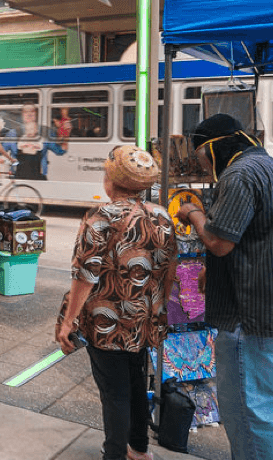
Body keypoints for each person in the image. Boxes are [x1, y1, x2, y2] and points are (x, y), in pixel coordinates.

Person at [56, 145, 178, 460]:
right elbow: (168, 270)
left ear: (111, 181)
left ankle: (114, 454)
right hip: (143, 320)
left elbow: (85, 276)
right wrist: (159, 310)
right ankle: (139, 449)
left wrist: (68, 322)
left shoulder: (100, 217)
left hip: (106, 322)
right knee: (136, 382)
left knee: (114, 394)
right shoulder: (162, 216)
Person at [175, 114, 272, 460]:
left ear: (215, 148)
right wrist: (212, 270)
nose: (202, 166)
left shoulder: (239, 174)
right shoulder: (266, 165)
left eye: (202, 157)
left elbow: (219, 242)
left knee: (248, 412)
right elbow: (254, 234)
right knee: (265, 406)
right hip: (264, 307)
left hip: (246, 316)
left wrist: (194, 213)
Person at [38, 106, 72, 178]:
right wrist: (66, 140)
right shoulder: (48, 133)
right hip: (39, 171)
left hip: (24, 170)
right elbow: (59, 151)